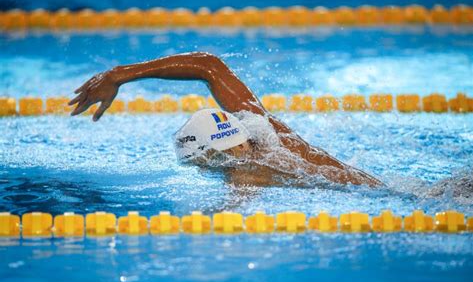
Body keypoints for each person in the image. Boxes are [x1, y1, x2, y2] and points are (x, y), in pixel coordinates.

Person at [70, 52, 382, 187]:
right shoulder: (263, 127)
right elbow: (209, 65)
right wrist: (118, 75)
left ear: (212, 154)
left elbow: (232, 213)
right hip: (383, 186)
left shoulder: (247, 173)